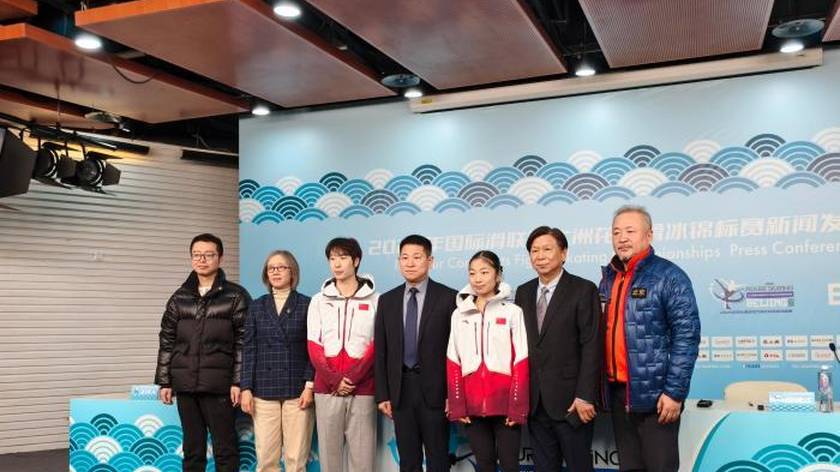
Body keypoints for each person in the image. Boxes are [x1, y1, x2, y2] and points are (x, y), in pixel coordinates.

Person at [600, 205, 701, 472]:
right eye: (616, 232)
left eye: (630, 231)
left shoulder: (670, 276)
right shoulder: (608, 278)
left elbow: (687, 336)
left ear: (649, 235)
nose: (622, 238)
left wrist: (674, 393)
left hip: (657, 398)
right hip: (620, 395)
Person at [155, 233, 249, 472]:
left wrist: (238, 381)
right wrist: (165, 381)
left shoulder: (236, 296)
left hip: (220, 386)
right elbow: (167, 340)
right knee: (192, 449)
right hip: (185, 386)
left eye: (208, 255)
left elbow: (244, 342)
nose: (202, 260)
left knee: (225, 449)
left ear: (220, 258)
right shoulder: (179, 297)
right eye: (197, 255)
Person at [514, 226, 601, 472]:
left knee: (579, 466)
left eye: (547, 249)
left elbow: (592, 345)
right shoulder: (523, 292)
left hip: (572, 402)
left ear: (563, 253)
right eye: (534, 251)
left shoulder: (583, 289)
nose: (540, 256)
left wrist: (585, 395)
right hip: (535, 403)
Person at [375, 235, 457, 472]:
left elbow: (456, 351)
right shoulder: (387, 300)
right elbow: (381, 351)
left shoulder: (448, 297)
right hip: (400, 390)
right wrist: (383, 394)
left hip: (436, 391)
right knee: (408, 460)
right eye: (404, 258)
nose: (410, 263)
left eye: (417, 257)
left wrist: (453, 393)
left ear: (430, 261)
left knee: (438, 458)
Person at [446, 251, 528, 472]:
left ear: (497, 275)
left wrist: (517, 406)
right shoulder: (459, 314)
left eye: (484, 272)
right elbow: (453, 359)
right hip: (471, 406)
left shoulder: (513, 312)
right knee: (484, 465)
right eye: (472, 273)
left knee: (510, 465)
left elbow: (521, 359)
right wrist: (457, 405)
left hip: (505, 405)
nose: (478, 279)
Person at [307, 237, 380, 472]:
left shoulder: (376, 300)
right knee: (330, 460)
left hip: (364, 389)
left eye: (343, 258)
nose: (336, 264)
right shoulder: (318, 300)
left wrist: (353, 378)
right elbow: (313, 345)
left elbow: (376, 345)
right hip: (327, 388)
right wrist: (334, 380)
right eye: (332, 259)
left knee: (363, 460)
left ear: (356, 261)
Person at [240, 250, 314, 472]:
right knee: (266, 459)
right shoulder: (257, 306)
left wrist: (309, 385)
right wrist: (246, 388)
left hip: (298, 391)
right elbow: (249, 349)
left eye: (281, 267)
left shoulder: (308, 304)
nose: (275, 272)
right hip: (263, 390)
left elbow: (314, 349)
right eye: (271, 268)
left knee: (296, 459)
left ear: (293, 272)